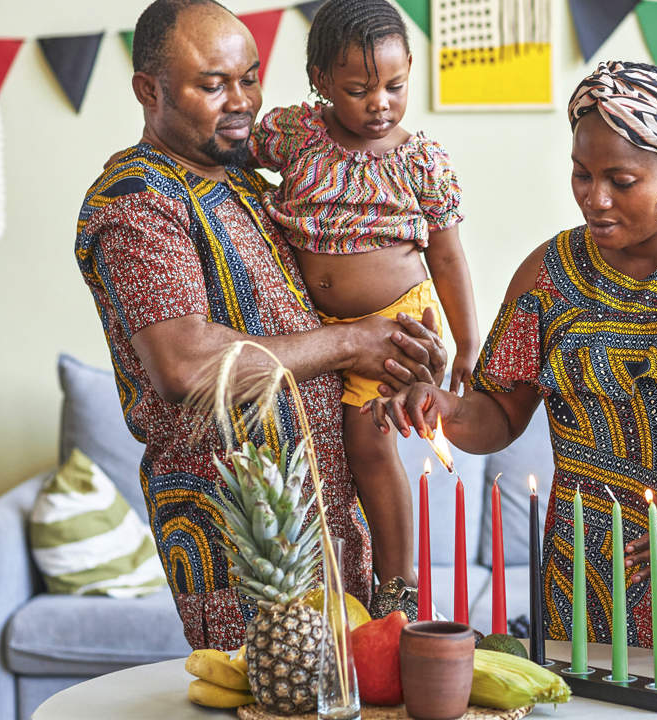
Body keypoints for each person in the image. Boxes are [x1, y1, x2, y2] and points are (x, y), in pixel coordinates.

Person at [369, 61, 657, 660]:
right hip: (582, 577)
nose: (594, 199)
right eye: (581, 174)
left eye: (621, 180)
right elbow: (499, 412)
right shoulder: (549, 272)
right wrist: (441, 408)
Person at [74, 0, 445, 650]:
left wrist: (404, 339)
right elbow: (185, 365)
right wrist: (353, 342)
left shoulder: (250, 178)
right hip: (244, 547)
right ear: (148, 90)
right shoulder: (138, 201)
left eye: (250, 77)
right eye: (214, 85)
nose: (242, 100)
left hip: (330, 526)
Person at [248, 0, 478, 592]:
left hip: (396, 324)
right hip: (316, 325)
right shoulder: (296, 133)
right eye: (358, 89)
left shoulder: (420, 160)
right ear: (321, 81)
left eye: (396, 86)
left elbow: (448, 257)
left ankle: (398, 582)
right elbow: (231, 153)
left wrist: (469, 343)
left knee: (368, 444)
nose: (380, 103)